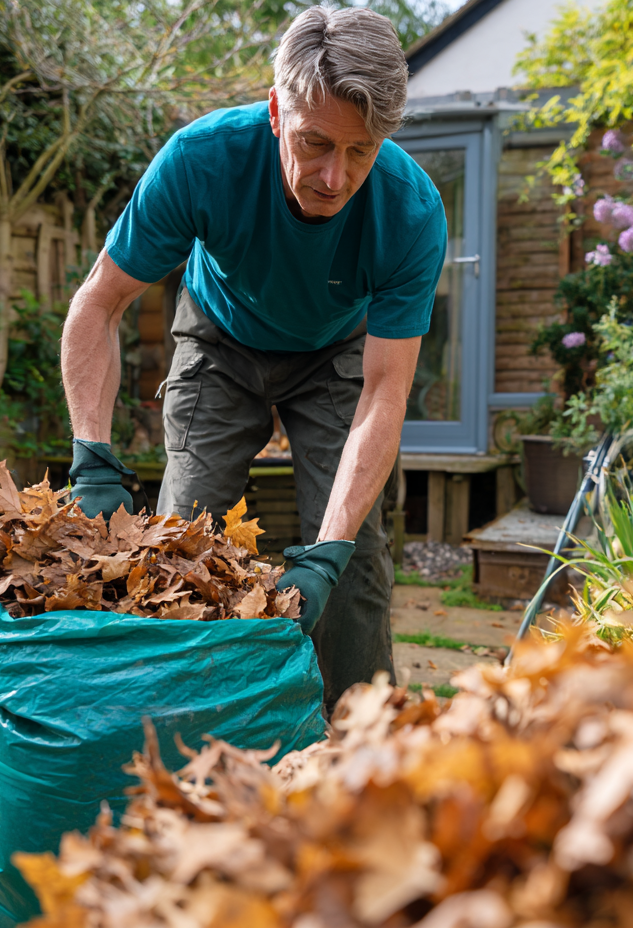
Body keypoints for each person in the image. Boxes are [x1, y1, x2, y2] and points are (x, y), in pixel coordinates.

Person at [60, 6, 446, 708]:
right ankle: (177, 727)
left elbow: (385, 391)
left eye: (360, 152)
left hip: (338, 354)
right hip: (220, 339)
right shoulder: (203, 160)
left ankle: (358, 750)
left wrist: (328, 547)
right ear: (275, 111)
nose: (334, 177)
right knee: (182, 539)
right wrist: (91, 451)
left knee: (353, 557)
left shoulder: (410, 211)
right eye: (316, 143)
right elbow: (99, 303)